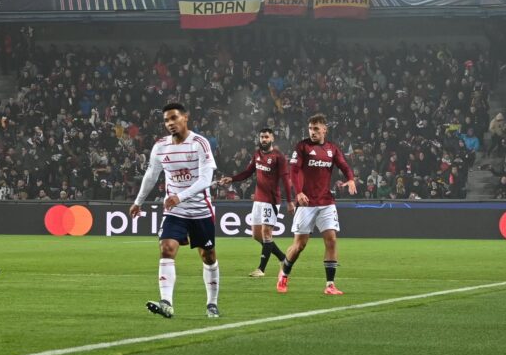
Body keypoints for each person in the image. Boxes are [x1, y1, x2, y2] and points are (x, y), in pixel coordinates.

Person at [131, 101, 220, 319]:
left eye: (174, 118)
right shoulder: (161, 146)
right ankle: (166, 302)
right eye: (166, 120)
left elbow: (206, 179)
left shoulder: (200, 143)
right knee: (166, 248)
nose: (170, 123)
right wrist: (138, 201)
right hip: (175, 212)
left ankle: (212, 303)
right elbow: (151, 175)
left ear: (185, 117)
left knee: (208, 257)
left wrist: (178, 196)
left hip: (200, 210)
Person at [276, 114, 356, 296]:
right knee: (299, 246)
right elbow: (294, 170)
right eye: (310, 128)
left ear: (324, 130)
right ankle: (284, 273)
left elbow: (344, 165)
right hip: (306, 203)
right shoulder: (303, 147)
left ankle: (330, 285)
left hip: (326, 202)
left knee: (331, 240)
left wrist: (350, 179)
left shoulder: (332, 149)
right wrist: (299, 192)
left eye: (316, 129)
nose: (312, 132)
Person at [216, 127, 288, 277]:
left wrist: (291, 201)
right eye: (262, 137)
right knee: (256, 235)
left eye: (266, 137)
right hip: (258, 199)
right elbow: (248, 172)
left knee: (267, 234)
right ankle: (282, 258)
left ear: (272, 138)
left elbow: (285, 180)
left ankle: (261, 269)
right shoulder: (257, 154)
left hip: (271, 200)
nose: (264, 139)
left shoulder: (278, 157)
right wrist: (233, 178)